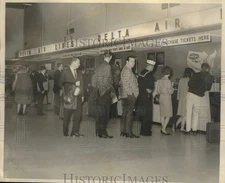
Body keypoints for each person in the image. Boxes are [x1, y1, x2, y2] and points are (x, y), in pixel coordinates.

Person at [92, 50, 117, 138]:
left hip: (98, 93)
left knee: (100, 114)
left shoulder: (98, 66)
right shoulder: (107, 66)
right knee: (105, 114)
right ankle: (103, 133)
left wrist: (98, 89)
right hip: (105, 94)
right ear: (110, 57)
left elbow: (93, 81)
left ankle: (98, 132)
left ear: (103, 57)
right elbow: (107, 82)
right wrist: (110, 91)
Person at [185, 63, 214, 135]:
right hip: (199, 96)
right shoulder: (210, 77)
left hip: (191, 94)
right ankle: (194, 130)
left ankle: (188, 130)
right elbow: (208, 88)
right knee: (196, 113)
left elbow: (189, 84)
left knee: (188, 112)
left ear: (201, 68)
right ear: (207, 69)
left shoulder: (196, 75)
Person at [58, 57, 84, 137]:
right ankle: (65, 132)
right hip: (69, 97)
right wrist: (66, 95)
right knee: (67, 116)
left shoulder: (79, 73)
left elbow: (82, 84)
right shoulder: (65, 72)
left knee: (77, 116)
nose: (79, 64)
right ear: (74, 62)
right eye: (78, 62)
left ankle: (75, 132)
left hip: (78, 97)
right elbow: (60, 84)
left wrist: (82, 96)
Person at [120, 56, 139, 138]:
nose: (133, 63)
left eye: (134, 61)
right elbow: (125, 83)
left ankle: (123, 131)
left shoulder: (126, 69)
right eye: (131, 61)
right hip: (129, 96)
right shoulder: (127, 70)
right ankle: (128, 132)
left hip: (126, 95)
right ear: (127, 62)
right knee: (129, 114)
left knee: (125, 113)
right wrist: (131, 94)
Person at [137, 59, 156, 136]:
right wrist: (150, 90)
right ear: (150, 66)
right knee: (147, 114)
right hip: (147, 97)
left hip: (141, 96)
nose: (153, 68)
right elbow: (149, 87)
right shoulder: (149, 74)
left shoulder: (142, 72)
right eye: (153, 67)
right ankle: (145, 131)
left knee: (143, 114)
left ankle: (143, 130)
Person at [155, 66, 174, 135]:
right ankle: (163, 129)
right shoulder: (168, 81)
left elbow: (158, 90)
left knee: (162, 114)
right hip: (167, 98)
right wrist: (172, 88)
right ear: (169, 73)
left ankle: (163, 128)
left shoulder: (159, 80)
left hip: (161, 97)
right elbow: (170, 92)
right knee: (168, 115)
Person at [173, 68, 193, 132]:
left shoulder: (181, 80)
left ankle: (177, 125)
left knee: (183, 114)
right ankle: (180, 127)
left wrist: (178, 98)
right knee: (185, 114)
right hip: (187, 98)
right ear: (190, 73)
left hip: (181, 99)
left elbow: (179, 90)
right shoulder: (190, 80)